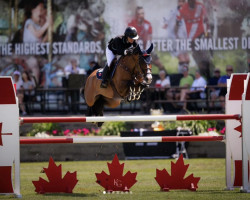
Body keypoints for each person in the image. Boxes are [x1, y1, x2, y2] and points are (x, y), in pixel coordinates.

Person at [176, 0, 214, 79]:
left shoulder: (200, 6)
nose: (192, 2)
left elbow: (206, 20)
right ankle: (204, 78)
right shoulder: (183, 8)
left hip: (201, 36)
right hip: (192, 40)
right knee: (199, 61)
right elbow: (177, 23)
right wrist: (177, 37)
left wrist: (208, 32)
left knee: (205, 59)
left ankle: (210, 77)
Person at [128, 6, 165, 71]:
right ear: (136, 15)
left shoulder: (147, 24)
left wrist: (147, 51)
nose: (141, 15)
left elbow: (150, 39)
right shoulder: (131, 24)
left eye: (142, 13)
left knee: (160, 64)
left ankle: (164, 78)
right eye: (139, 14)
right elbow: (130, 39)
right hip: (136, 50)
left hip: (146, 49)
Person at [163, 0, 190, 73]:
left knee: (187, 60)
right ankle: (181, 76)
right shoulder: (174, 12)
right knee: (182, 59)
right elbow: (170, 24)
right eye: (179, 1)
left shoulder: (187, 12)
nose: (180, 3)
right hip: (174, 40)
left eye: (182, 1)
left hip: (183, 40)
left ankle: (184, 74)